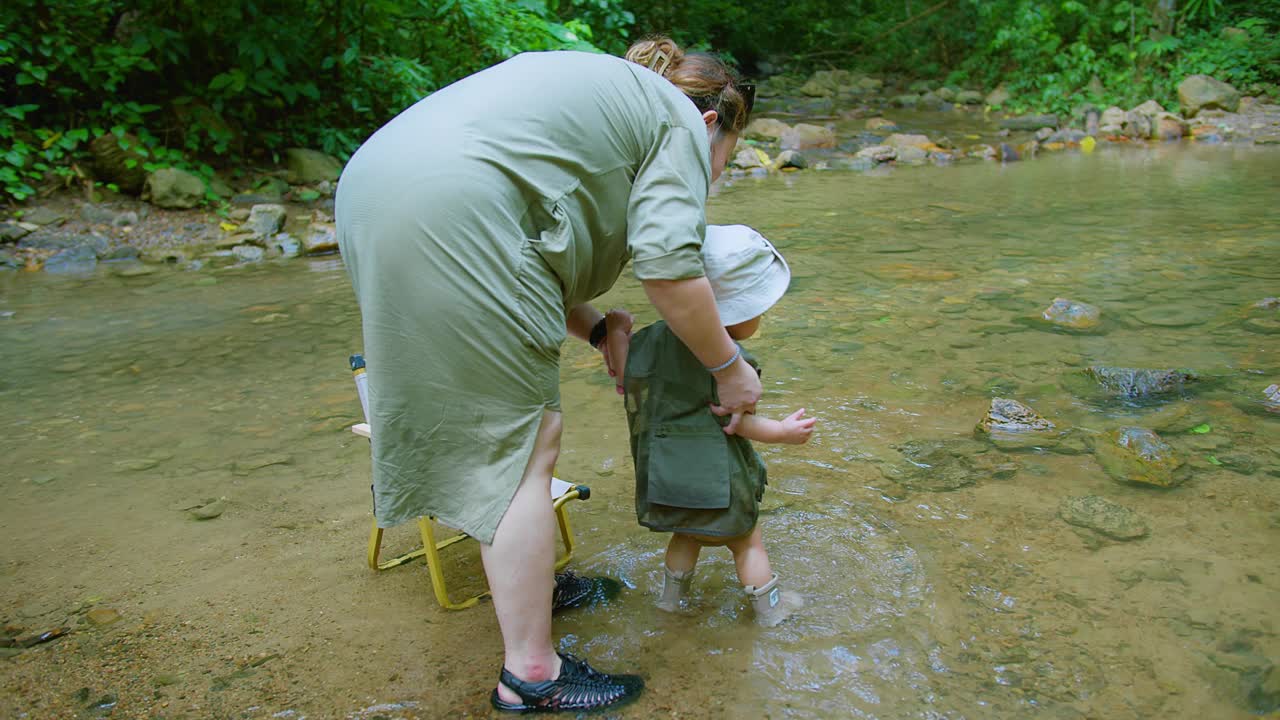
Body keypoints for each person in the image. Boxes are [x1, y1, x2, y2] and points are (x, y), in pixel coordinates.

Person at [335, 36, 760, 714]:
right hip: (455, 205)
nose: (710, 179)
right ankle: (532, 673)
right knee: (527, 442)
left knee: (485, 420)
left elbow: (530, 240)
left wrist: (598, 328)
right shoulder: (680, 122)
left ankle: (527, 588)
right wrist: (730, 369)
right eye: (722, 165)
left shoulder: (601, 100)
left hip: (375, 191)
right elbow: (670, 272)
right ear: (712, 124)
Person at [601, 225, 814, 627]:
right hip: (718, 484)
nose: (760, 317)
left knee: (685, 536)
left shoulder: (649, 343)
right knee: (747, 543)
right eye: (757, 310)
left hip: (668, 479)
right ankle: (770, 611)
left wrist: (615, 329)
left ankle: (670, 600)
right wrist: (784, 433)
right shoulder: (732, 364)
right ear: (733, 312)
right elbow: (741, 425)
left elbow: (624, 372)